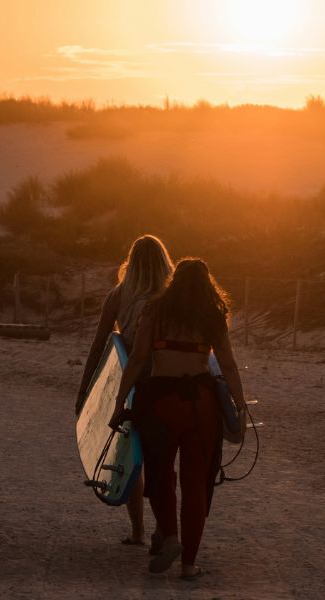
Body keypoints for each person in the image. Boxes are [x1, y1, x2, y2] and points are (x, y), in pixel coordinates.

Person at [111, 258, 247, 580]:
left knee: (160, 474)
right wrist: (240, 405)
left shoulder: (156, 311)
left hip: (161, 402)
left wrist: (119, 400)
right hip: (201, 404)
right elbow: (227, 364)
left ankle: (169, 535)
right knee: (196, 483)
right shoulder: (211, 315)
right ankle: (189, 564)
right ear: (206, 283)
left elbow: (139, 358)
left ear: (175, 282)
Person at [76, 234, 174, 547]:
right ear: (163, 262)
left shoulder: (119, 295)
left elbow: (99, 345)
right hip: (165, 383)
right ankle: (165, 529)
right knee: (163, 461)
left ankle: (138, 532)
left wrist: (84, 390)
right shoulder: (170, 297)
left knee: (133, 459)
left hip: (130, 387)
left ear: (131, 263)